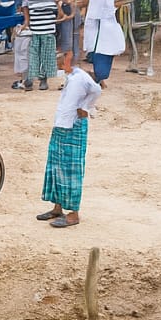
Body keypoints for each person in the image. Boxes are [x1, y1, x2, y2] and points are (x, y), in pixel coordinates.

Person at [37, 51, 102, 227]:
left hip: (73, 127)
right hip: (61, 125)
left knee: (71, 169)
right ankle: (57, 208)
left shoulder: (81, 78)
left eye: (59, 62)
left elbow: (97, 89)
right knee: (56, 166)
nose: (57, 66)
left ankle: (73, 214)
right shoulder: (73, 76)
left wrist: (86, 107)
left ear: (67, 59)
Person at [80, 0, 126, 86]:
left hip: (106, 35)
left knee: (103, 69)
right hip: (97, 34)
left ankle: (95, 80)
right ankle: (93, 80)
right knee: (101, 69)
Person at [18, 0, 59, 90]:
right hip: (35, 30)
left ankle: (43, 79)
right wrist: (27, 21)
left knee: (46, 56)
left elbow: (58, 8)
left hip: (49, 30)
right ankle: (30, 79)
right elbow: (25, 5)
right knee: (33, 56)